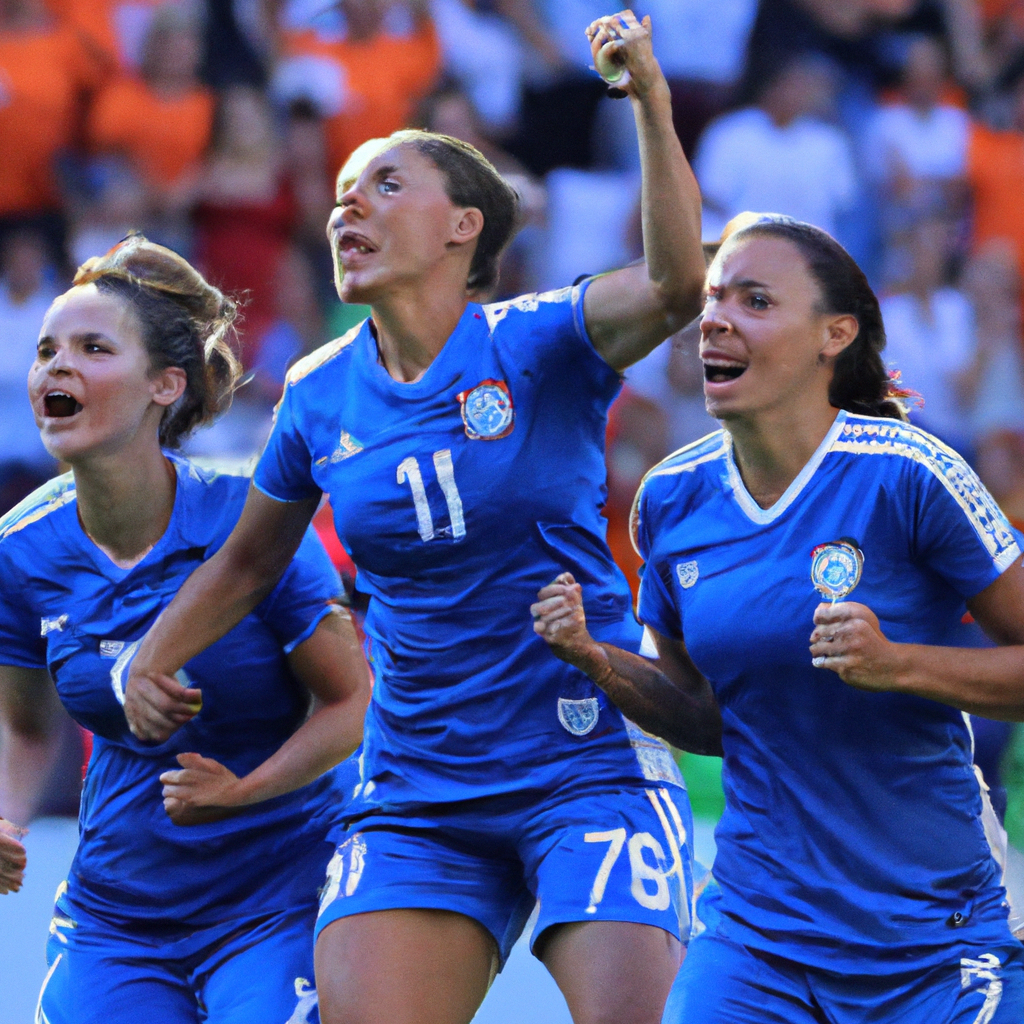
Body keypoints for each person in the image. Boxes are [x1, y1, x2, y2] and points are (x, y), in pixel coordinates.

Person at [123, 11, 706, 1024]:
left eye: (385, 186)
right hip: (418, 781)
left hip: (584, 758)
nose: (349, 210)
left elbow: (674, 284)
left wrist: (649, 101)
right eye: (342, 198)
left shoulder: (541, 340)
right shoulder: (315, 392)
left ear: (462, 226)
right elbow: (248, 563)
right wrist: (149, 655)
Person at [532, 212, 1024, 1022]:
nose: (716, 318)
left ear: (835, 334)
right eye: (716, 298)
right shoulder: (670, 498)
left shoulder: (911, 473)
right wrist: (596, 657)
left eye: (755, 300)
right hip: (758, 937)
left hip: (936, 936)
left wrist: (899, 664)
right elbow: (705, 718)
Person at [0, 235, 370, 1023]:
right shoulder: (19, 551)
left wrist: (243, 791)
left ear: (165, 385)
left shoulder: (252, 526)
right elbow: (24, 727)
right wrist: (5, 813)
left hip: (281, 893)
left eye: (92, 348)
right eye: (45, 351)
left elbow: (351, 705)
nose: (55, 368)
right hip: (118, 912)